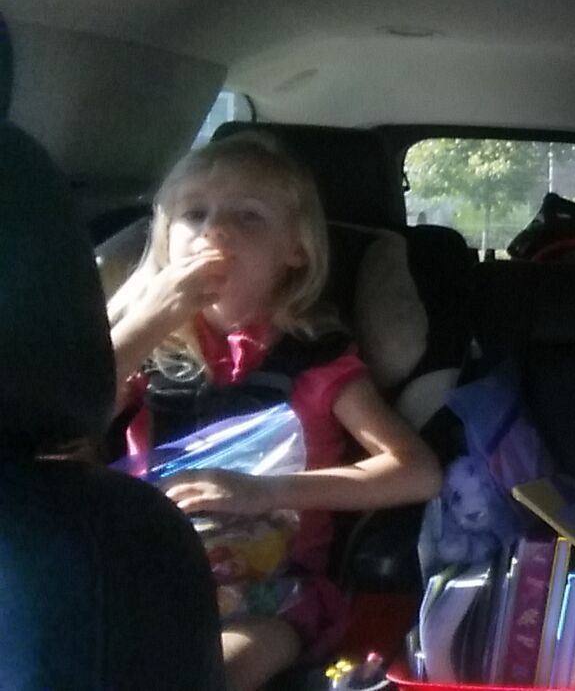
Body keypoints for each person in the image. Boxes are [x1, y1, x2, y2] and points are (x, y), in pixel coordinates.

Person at [107, 132, 442, 691]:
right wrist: (150, 317)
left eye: (248, 216)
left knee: (207, 672)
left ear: (296, 251)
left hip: (271, 594)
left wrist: (266, 492)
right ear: (165, 241)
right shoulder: (147, 355)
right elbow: (65, 413)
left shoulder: (315, 360)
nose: (215, 230)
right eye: (194, 214)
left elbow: (417, 471)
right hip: (144, 573)